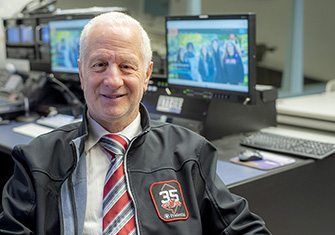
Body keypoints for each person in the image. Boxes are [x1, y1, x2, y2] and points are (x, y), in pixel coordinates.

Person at [0, 12, 271, 234]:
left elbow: (242, 229)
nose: (113, 80)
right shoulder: (36, 160)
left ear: (147, 75)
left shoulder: (190, 153)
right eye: (99, 65)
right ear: (81, 73)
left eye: (127, 66)